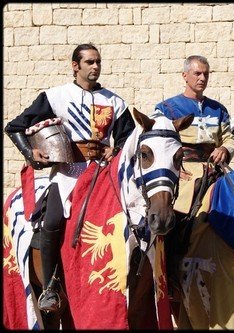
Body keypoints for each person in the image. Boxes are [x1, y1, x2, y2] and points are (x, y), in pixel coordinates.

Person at [4, 43, 136, 312]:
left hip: (102, 172)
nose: (95, 67)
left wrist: (117, 149)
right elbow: (15, 126)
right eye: (89, 62)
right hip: (68, 172)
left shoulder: (115, 102)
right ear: (75, 66)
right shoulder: (55, 97)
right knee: (51, 219)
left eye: (98, 61)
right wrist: (32, 153)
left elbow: (129, 140)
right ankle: (51, 286)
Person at [153, 55, 234, 214]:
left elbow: (229, 138)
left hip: (214, 169)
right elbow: (159, 145)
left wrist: (225, 149)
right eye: (197, 73)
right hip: (184, 171)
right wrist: (175, 169)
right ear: (184, 75)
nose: (202, 78)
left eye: (206, 74)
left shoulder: (218, 109)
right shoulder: (166, 108)